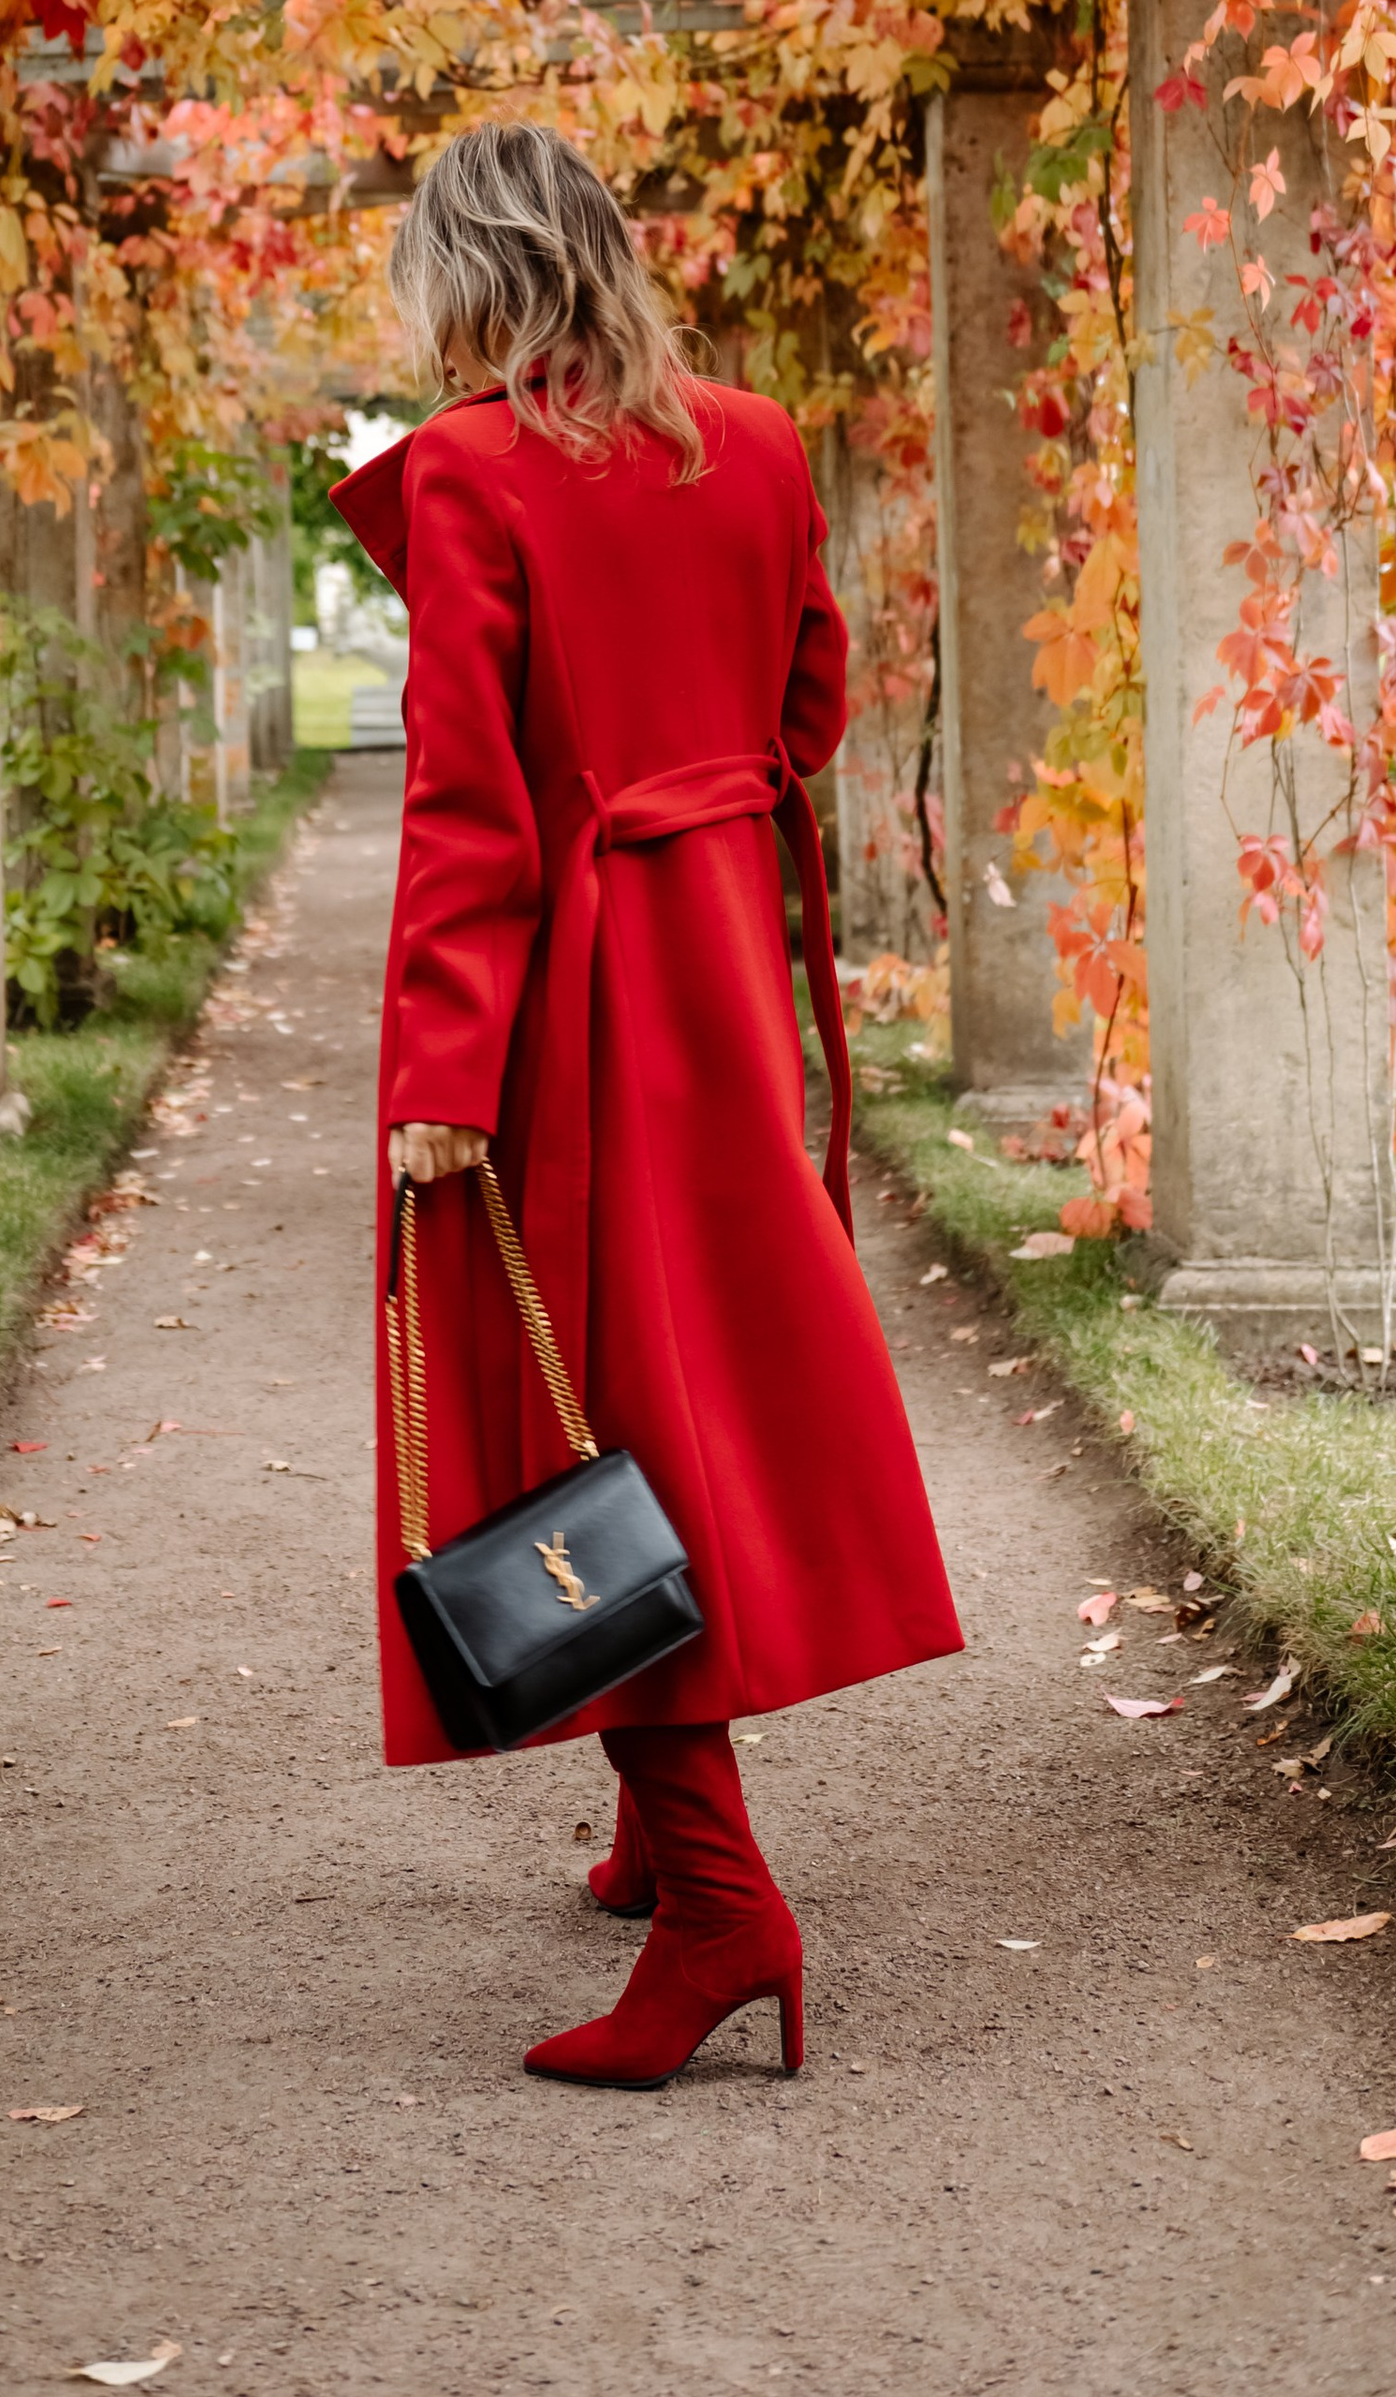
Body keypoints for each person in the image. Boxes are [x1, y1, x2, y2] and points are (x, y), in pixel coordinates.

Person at [331, 121, 961, 2091]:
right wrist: (694, 787)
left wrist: (440, 1071)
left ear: (470, 279)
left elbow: (468, 800)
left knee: (585, 1409)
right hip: (717, 979)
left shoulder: (471, 473)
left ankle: (719, 1903)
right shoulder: (755, 443)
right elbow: (806, 708)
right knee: (690, 1383)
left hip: (569, 1006)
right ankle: (649, 1834)